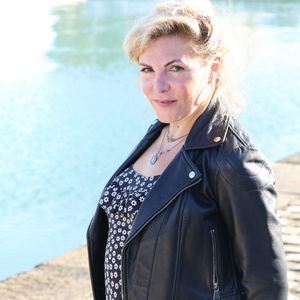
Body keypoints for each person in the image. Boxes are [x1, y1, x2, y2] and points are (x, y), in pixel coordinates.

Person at [86, 1, 288, 299]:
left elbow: (266, 285)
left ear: (212, 69)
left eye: (175, 68)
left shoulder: (234, 161)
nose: (158, 85)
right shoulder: (161, 132)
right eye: (147, 69)